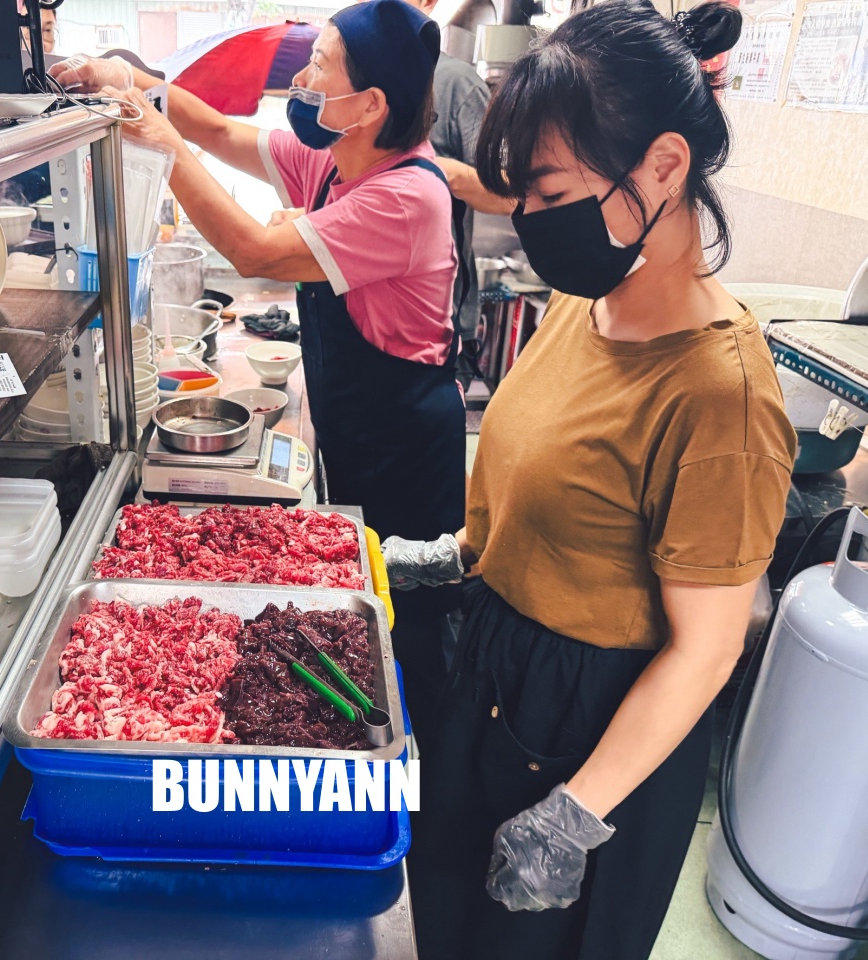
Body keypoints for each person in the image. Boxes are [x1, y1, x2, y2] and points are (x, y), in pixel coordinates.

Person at [383, 2, 796, 957]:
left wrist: (571, 817)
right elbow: (539, 481)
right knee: (440, 927)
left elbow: (706, 649)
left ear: (663, 166)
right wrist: (456, 556)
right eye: (520, 194)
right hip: (494, 678)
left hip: (590, 736)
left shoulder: (720, 395)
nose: (529, 221)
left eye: (549, 190)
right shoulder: (590, 304)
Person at [56, 0, 465, 740]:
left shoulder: (404, 196)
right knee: (368, 620)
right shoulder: (336, 161)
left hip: (404, 448)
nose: (302, 77)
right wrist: (136, 80)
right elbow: (213, 130)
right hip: (362, 428)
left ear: (370, 104)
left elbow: (252, 251)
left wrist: (157, 140)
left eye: (322, 65)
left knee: (403, 641)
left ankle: (418, 779)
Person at [396, 0, 514, 384]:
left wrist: (441, 173)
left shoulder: (457, 83)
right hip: (361, 318)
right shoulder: (354, 80)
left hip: (437, 324)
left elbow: (507, 195)